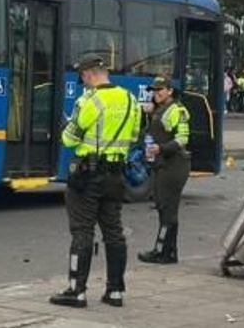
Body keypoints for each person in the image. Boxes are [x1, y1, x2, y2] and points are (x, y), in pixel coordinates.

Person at [50, 54, 142, 309]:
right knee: (114, 232)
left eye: (83, 77)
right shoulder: (130, 99)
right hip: (116, 176)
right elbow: (135, 135)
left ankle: (76, 291)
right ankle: (115, 291)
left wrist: (68, 126)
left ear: (89, 74)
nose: (84, 82)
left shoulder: (90, 100)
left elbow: (69, 139)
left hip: (89, 175)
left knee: (82, 231)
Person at [137, 76, 191, 265]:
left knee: (168, 210)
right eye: (154, 90)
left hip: (174, 165)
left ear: (170, 91)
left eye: (160, 90)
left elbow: (182, 138)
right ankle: (170, 252)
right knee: (163, 208)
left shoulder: (177, 110)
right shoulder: (159, 110)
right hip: (162, 164)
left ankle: (162, 252)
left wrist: (162, 149)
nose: (156, 93)